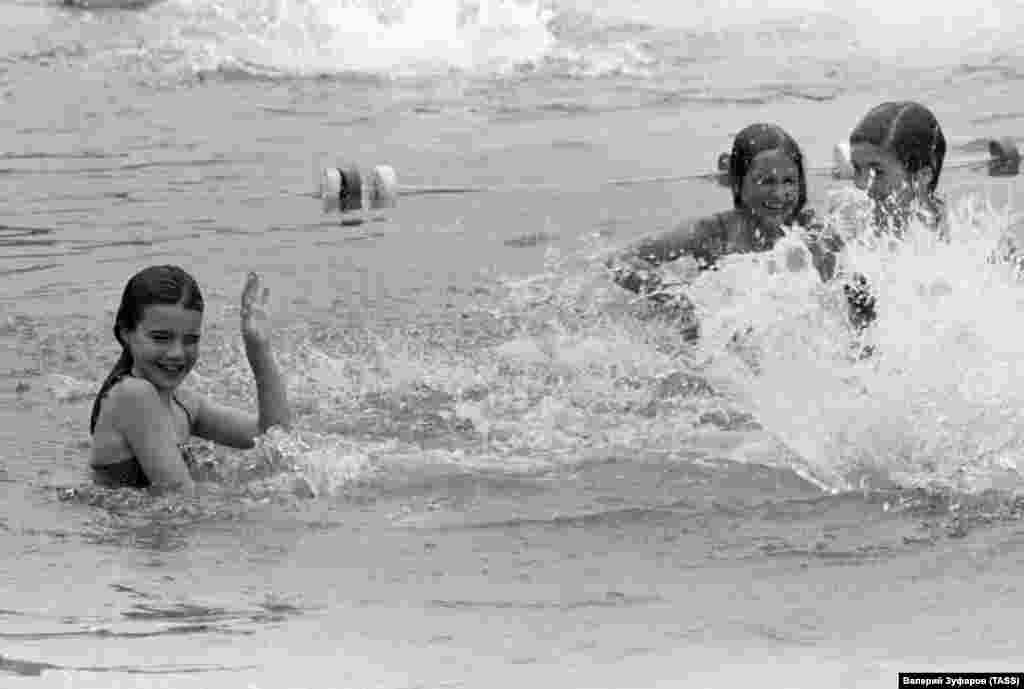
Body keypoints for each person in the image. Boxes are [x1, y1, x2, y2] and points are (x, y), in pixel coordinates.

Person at [608, 123, 842, 340]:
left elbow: (849, 287)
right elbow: (620, 261)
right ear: (737, 182)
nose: (780, 194)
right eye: (766, 182)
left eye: (789, 181)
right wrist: (675, 298)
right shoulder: (713, 232)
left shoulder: (813, 233)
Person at [89, 266, 292, 493]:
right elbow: (180, 494)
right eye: (161, 338)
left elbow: (275, 439)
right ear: (125, 333)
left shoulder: (183, 405)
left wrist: (258, 349)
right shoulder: (133, 395)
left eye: (190, 340)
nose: (177, 352)